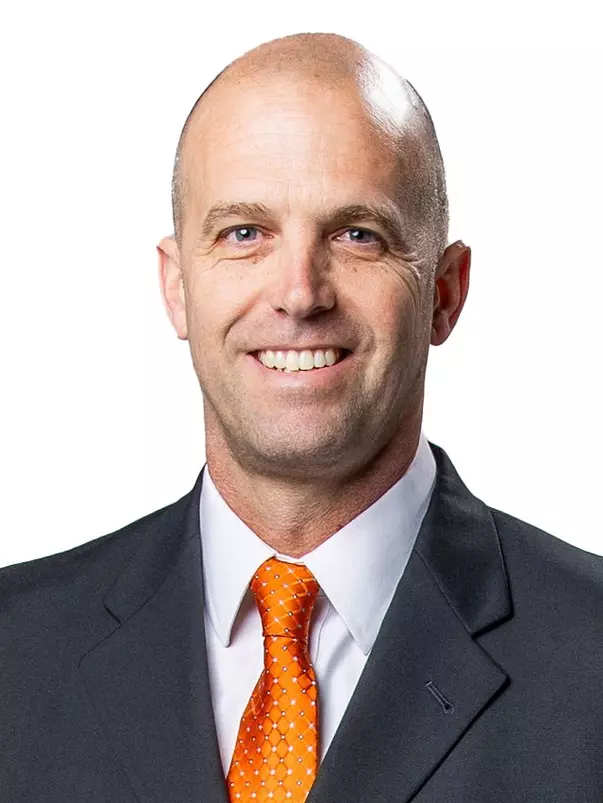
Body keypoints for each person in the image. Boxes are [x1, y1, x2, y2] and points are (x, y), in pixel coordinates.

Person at [1, 32, 601, 803]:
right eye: (244, 233)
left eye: (357, 234)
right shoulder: (14, 654)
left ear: (444, 294)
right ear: (177, 287)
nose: (298, 293)